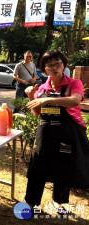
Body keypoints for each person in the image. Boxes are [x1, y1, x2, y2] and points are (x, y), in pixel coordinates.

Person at [24, 50, 89, 212]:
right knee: (37, 167)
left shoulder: (74, 83)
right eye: (49, 65)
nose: (54, 68)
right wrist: (32, 97)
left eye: (57, 64)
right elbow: (38, 112)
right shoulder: (43, 87)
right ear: (44, 69)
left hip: (69, 132)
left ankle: (60, 203)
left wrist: (47, 99)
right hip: (46, 132)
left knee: (64, 169)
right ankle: (31, 203)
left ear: (63, 65)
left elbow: (74, 100)